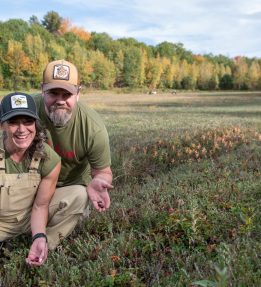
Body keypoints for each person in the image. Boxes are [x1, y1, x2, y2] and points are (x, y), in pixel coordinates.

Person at [33, 59, 113, 250]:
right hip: (32, 183)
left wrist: (98, 181)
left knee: (79, 195)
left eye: (67, 93)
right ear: (42, 89)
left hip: (66, 189)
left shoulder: (93, 128)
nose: (60, 100)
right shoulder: (28, 110)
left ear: (78, 93)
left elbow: (103, 171)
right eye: (53, 92)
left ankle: (42, 245)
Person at [0, 92, 61, 266]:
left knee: (77, 196)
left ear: (35, 123)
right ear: (2, 125)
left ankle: (41, 244)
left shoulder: (49, 158)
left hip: (28, 220)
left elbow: (40, 205)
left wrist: (39, 236)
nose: (21, 129)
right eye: (13, 122)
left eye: (28, 121)